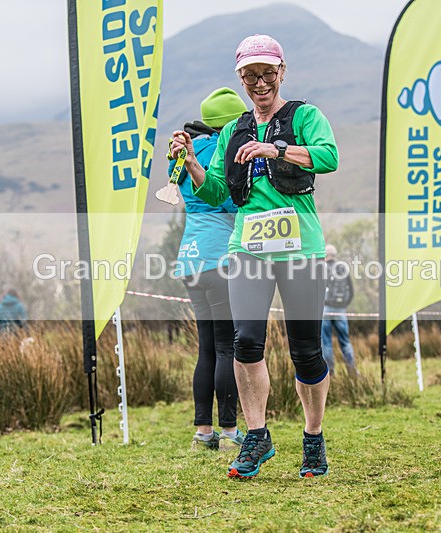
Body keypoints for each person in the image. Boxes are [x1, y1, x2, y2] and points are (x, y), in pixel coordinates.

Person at [171, 34, 339, 478]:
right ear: (241, 79)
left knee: (305, 351)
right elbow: (219, 191)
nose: (259, 82)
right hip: (248, 249)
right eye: (251, 76)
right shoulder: (232, 131)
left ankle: (314, 438)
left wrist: (275, 148)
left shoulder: (304, 116)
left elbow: (328, 157)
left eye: (267, 73)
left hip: (300, 247)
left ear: (282, 72)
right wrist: (190, 162)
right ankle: (256, 436)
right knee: (245, 342)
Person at [169, 87, 248, 451]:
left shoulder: (184, 151)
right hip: (220, 257)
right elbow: (233, 202)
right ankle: (230, 433)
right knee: (228, 347)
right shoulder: (227, 151)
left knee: (206, 349)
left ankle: (203, 432)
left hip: (190, 256)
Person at [321, 244, 358, 377]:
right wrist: (344, 305)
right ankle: (352, 371)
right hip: (340, 310)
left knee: (326, 342)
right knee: (345, 341)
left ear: (325, 255)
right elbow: (352, 290)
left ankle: (330, 373)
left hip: (325, 309)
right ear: (335, 255)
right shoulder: (342, 268)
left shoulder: (322, 268)